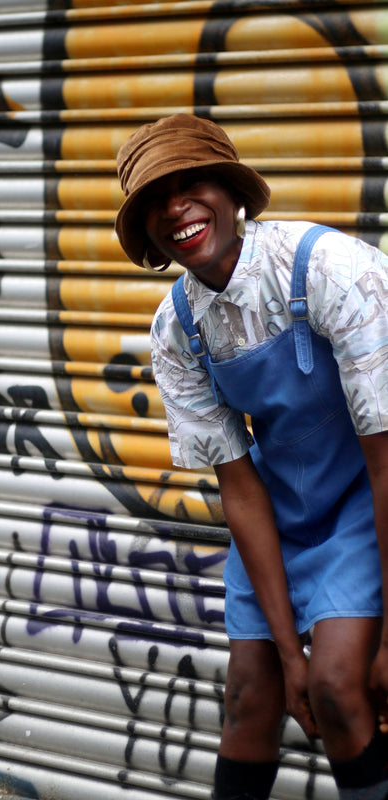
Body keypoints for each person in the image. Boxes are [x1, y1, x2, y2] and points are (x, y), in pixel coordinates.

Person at [115, 113, 388, 800]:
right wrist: (282, 652)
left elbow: (385, 460)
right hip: (278, 508)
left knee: (335, 687)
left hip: (368, 497)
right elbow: (238, 487)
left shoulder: (331, 269)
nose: (173, 207)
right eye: (153, 198)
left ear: (232, 192)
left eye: (189, 183)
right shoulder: (176, 327)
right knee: (248, 699)